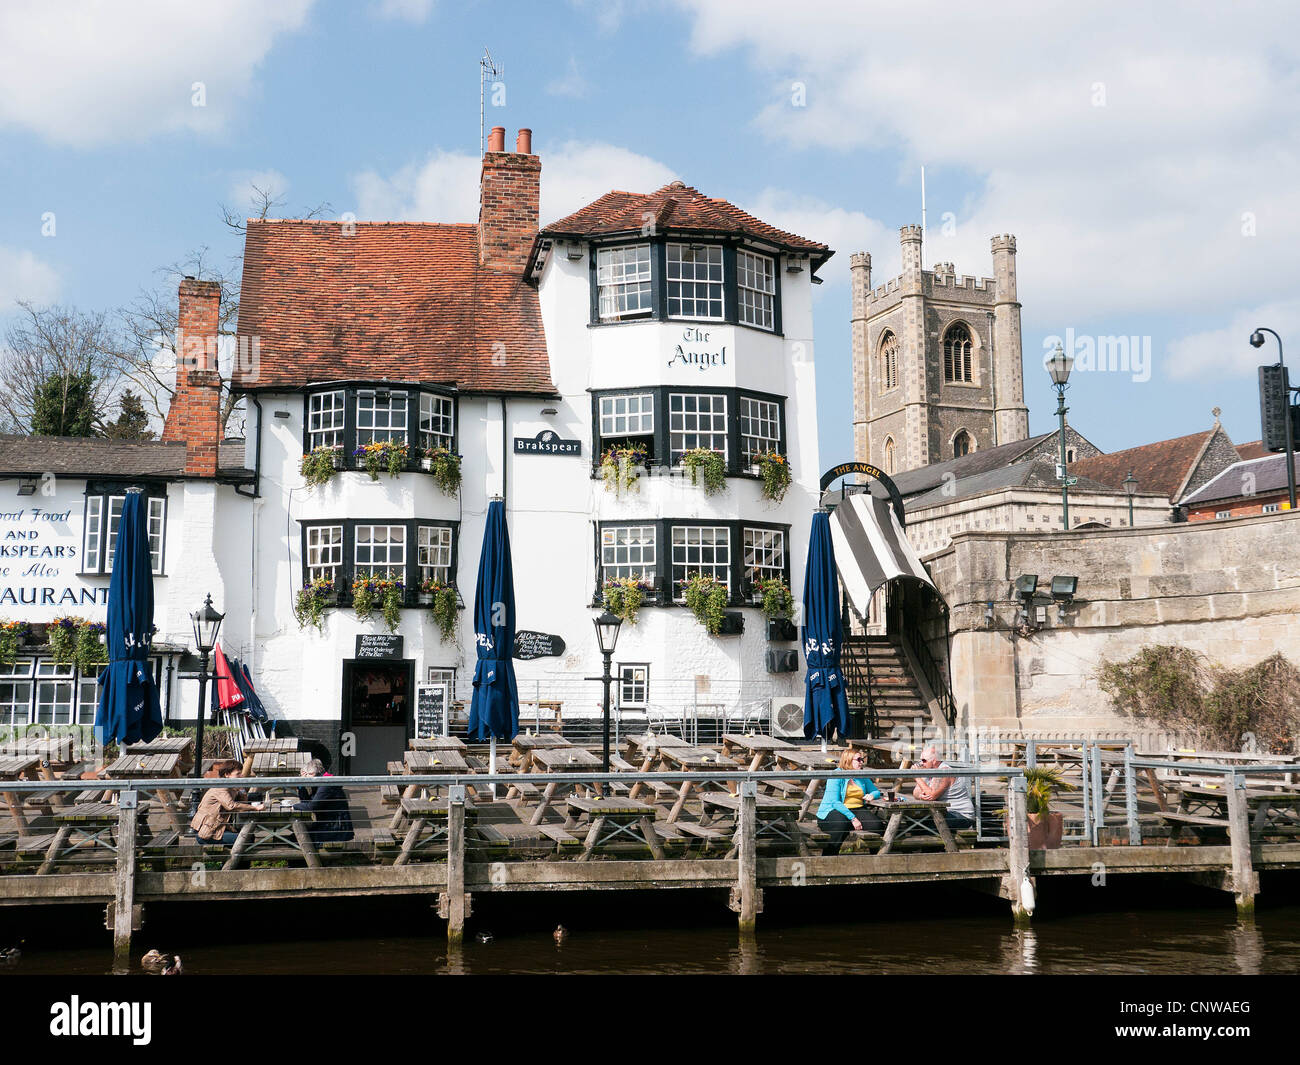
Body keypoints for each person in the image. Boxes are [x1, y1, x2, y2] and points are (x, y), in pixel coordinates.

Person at [815, 749, 886, 856]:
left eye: (862, 759)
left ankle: (875, 858)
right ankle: (829, 856)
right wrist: (853, 818)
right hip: (834, 809)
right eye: (859, 759)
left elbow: (875, 791)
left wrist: (872, 795)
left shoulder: (861, 776)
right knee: (841, 824)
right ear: (848, 761)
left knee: (876, 825)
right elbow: (835, 801)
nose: (861, 762)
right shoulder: (836, 775)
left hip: (857, 808)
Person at [191, 762, 263, 844]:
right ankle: (230, 855)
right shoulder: (221, 788)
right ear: (227, 774)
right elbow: (231, 806)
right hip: (206, 833)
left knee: (249, 836)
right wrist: (255, 808)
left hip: (218, 828)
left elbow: (243, 802)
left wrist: (241, 789)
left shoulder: (230, 786)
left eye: (241, 773)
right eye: (238, 774)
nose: (241, 776)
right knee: (247, 838)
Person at [912, 745, 976, 829]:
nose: (921, 763)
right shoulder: (929, 771)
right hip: (945, 812)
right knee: (914, 823)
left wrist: (917, 777)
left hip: (960, 815)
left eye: (924, 760)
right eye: (920, 760)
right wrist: (921, 795)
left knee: (920, 826)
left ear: (934, 761)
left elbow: (931, 795)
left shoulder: (944, 771)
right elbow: (915, 792)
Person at [294, 758, 354, 845]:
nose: (305, 777)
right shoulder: (321, 781)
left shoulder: (326, 785)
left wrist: (294, 806)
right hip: (329, 825)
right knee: (297, 836)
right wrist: (301, 785)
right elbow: (307, 802)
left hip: (336, 829)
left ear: (313, 773)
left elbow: (312, 806)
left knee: (301, 838)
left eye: (307, 775)